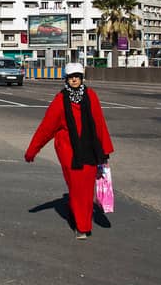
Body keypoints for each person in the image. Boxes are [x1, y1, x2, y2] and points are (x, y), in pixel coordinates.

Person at [24, 62, 114, 240]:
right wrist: (32, 150)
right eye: (71, 77)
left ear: (82, 78)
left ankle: (79, 218)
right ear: (66, 79)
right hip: (69, 151)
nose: (74, 80)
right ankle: (82, 226)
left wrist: (104, 151)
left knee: (86, 189)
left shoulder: (91, 95)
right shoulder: (60, 100)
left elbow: (99, 123)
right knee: (76, 187)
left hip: (90, 149)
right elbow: (46, 128)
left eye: (77, 77)